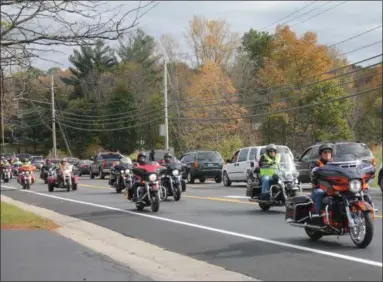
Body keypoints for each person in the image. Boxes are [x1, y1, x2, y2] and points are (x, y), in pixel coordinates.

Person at [309, 143, 334, 217]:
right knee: (320, 193)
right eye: (325, 152)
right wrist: (314, 172)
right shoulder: (315, 164)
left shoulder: (334, 164)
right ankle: (318, 214)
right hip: (319, 189)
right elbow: (312, 172)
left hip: (333, 188)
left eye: (329, 152)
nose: (327, 154)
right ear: (321, 154)